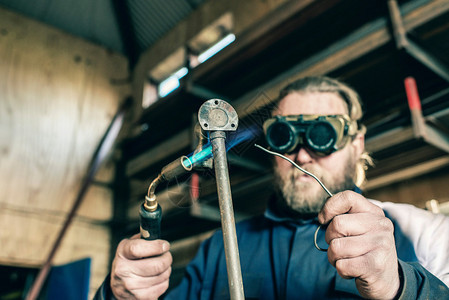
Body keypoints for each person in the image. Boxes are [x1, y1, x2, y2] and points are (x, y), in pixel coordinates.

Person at [96, 76, 449, 299]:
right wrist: (119, 296)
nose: (303, 154)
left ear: (356, 144)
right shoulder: (222, 247)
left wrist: (399, 285)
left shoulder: (419, 232)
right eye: (285, 137)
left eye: (322, 135)